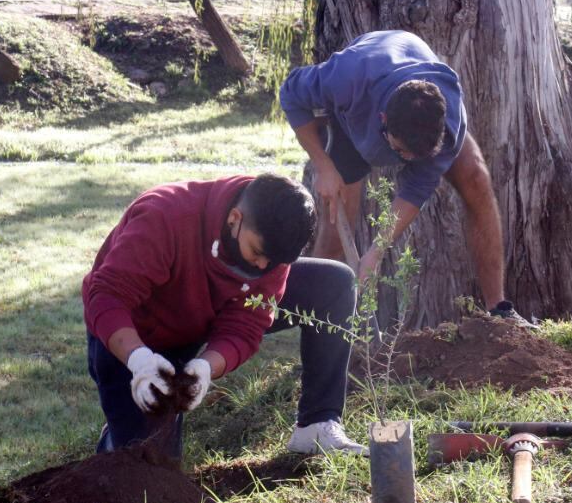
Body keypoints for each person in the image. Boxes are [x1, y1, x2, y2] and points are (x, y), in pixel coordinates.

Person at [82, 173, 368, 458]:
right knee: (147, 463)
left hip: (207, 314)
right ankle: (116, 438)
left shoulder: (272, 246)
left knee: (334, 284)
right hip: (139, 333)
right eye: (257, 253)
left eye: (275, 261)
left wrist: (206, 368)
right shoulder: (165, 216)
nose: (262, 266)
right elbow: (107, 297)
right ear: (234, 218)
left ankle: (316, 427)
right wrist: (139, 360)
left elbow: (245, 325)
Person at [279, 29, 528, 323]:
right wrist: (323, 165)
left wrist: (376, 250)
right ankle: (312, 326)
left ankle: (499, 311)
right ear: (383, 120)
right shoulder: (347, 77)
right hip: (355, 118)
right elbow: (291, 93)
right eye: (400, 151)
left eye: (417, 157)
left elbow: (415, 189)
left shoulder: (448, 126)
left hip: (406, 115)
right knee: (335, 227)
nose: (406, 163)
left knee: (475, 176)